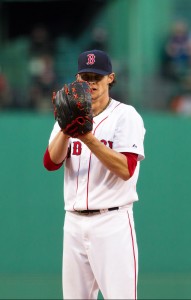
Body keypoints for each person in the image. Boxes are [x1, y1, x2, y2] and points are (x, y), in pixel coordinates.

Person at [43, 49, 146, 299]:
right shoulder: (67, 114)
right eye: (86, 77)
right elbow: (51, 162)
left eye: (96, 77)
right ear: (78, 79)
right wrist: (66, 130)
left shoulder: (125, 116)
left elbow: (126, 169)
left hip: (112, 223)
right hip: (74, 223)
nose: (91, 83)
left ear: (110, 78)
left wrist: (87, 138)